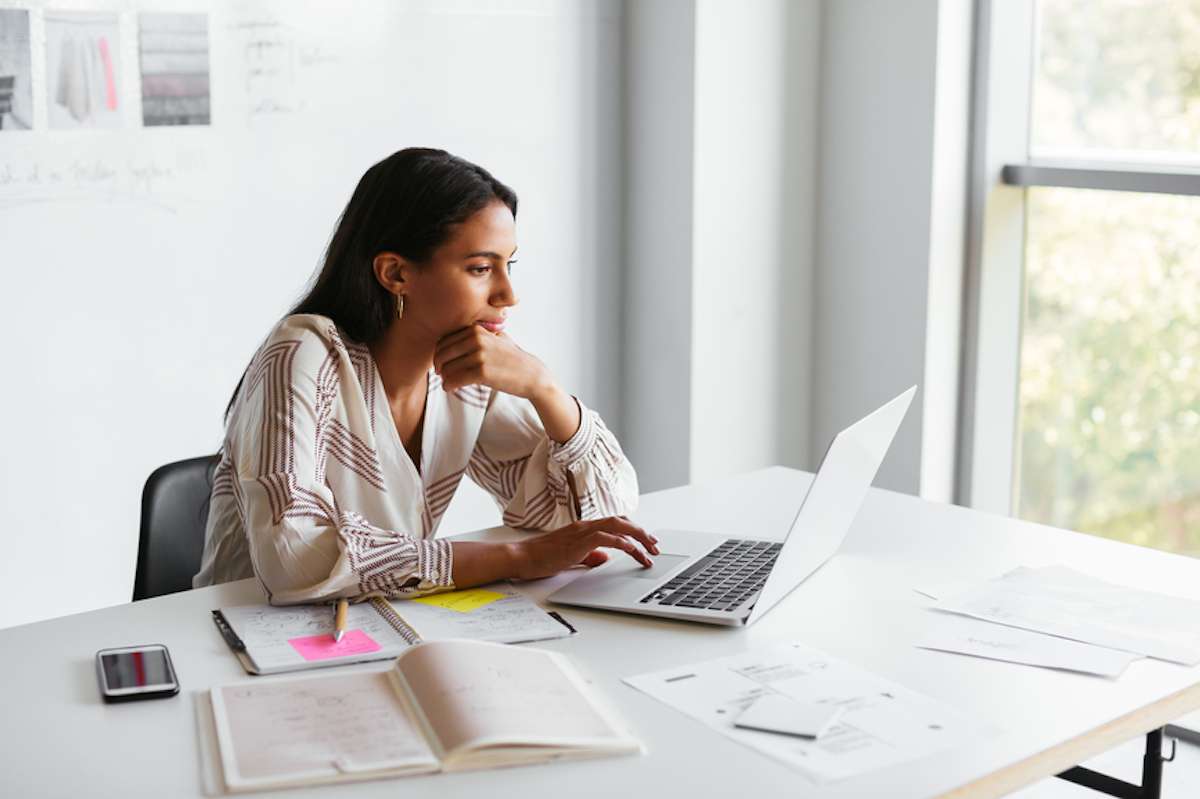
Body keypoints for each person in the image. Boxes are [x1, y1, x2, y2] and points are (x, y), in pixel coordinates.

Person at [193, 148, 657, 603]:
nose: (508, 294)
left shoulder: (469, 371)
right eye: (480, 268)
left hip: (380, 625)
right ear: (395, 273)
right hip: (240, 636)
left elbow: (593, 521)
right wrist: (514, 557)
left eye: (508, 264)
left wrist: (545, 389)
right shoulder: (303, 354)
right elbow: (293, 559)